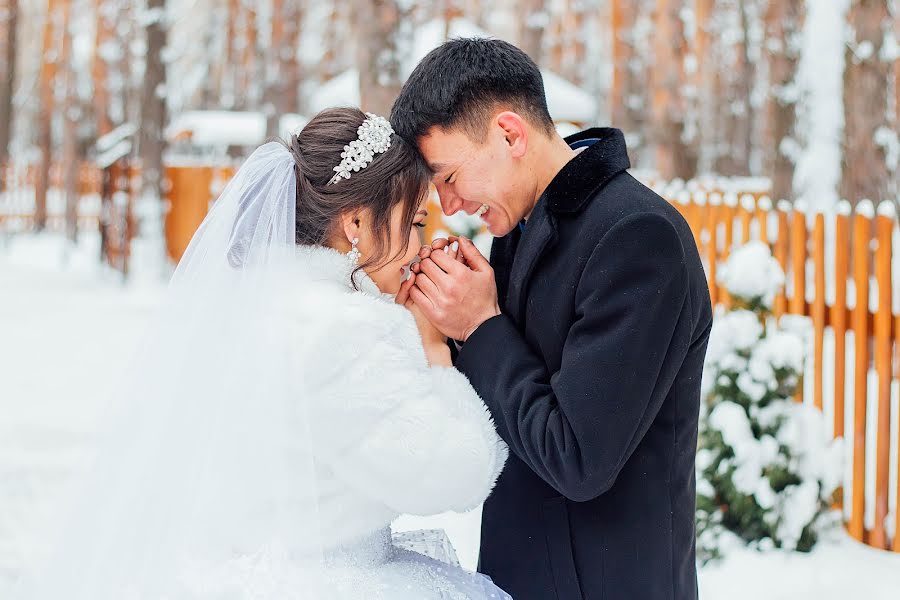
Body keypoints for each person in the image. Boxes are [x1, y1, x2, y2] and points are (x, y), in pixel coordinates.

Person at [14, 108, 510, 599]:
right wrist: (432, 347)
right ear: (356, 220)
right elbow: (451, 474)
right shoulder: (343, 331)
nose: (421, 244)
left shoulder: (246, 306)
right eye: (416, 221)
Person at [391, 38, 713, 600]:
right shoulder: (520, 226)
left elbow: (577, 457)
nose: (450, 205)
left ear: (510, 134)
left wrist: (480, 327)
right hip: (521, 574)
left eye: (449, 177)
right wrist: (449, 329)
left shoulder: (637, 237)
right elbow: (518, 396)